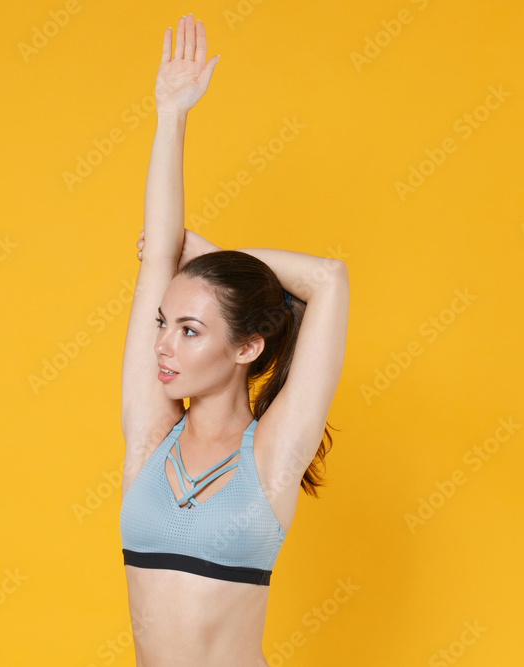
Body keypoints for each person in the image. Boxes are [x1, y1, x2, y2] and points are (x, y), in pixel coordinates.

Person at [118, 12, 350, 666]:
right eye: (165, 324)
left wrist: (211, 254)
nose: (163, 344)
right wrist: (171, 114)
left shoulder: (270, 455)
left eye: (190, 330)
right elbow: (155, 252)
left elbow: (329, 278)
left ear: (247, 346)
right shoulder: (149, 438)